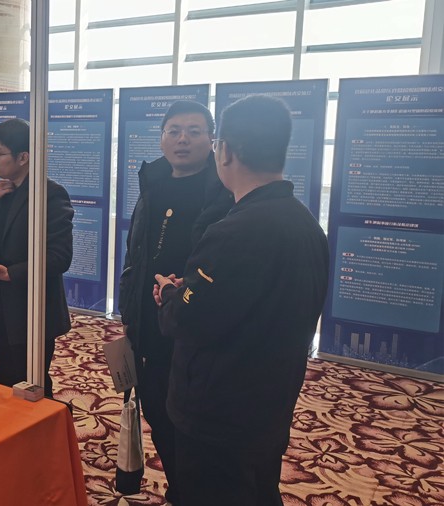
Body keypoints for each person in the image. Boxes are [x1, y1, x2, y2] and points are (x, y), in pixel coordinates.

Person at [154, 95, 329, 506]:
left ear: (225, 151)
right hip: (269, 402)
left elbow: (187, 321)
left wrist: (170, 296)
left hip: (218, 415)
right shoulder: (306, 225)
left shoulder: (233, 231)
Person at [116, 100, 233, 501]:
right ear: (162, 138)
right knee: (155, 408)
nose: (183, 139)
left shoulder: (222, 191)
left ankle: (190, 490)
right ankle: (180, 486)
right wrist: (129, 309)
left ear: (212, 139)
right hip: (149, 320)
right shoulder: (153, 183)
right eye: (174, 131)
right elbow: (136, 253)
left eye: (194, 131)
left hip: (192, 322)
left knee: (190, 420)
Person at [0, 118, 74, 397]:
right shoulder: (0, 190)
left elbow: (59, 257)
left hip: (29, 306)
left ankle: (45, 424)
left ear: (23, 157)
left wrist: (11, 273)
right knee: (3, 375)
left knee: (32, 381)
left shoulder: (50, 195)